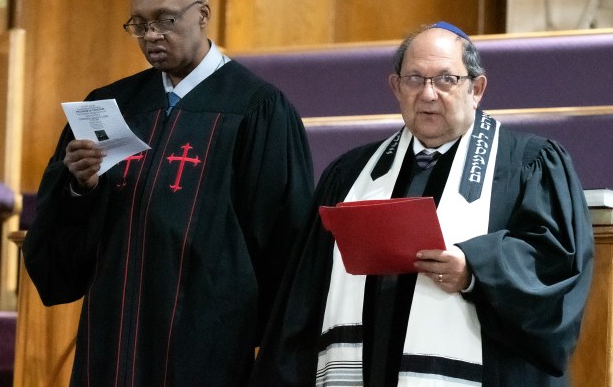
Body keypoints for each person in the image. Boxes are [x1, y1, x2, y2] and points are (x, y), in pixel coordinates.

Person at [249, 22, 594, 386]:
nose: (428, 94)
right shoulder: (351, 175)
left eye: (446, 79)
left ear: (476, 89)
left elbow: (556, 266)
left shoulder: (528, 164)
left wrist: (475, 270)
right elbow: (303, 302)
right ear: (396, 88)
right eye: (414, 79)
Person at [22, 0, 314, 386]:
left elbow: (283, 239)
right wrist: (79, 187)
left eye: (165, 20)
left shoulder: (257, 109)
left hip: (204, 342)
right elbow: (61, 248)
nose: (152, 36)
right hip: (113, 333)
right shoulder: (111, 104)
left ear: (203, 14)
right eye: (138, 25)